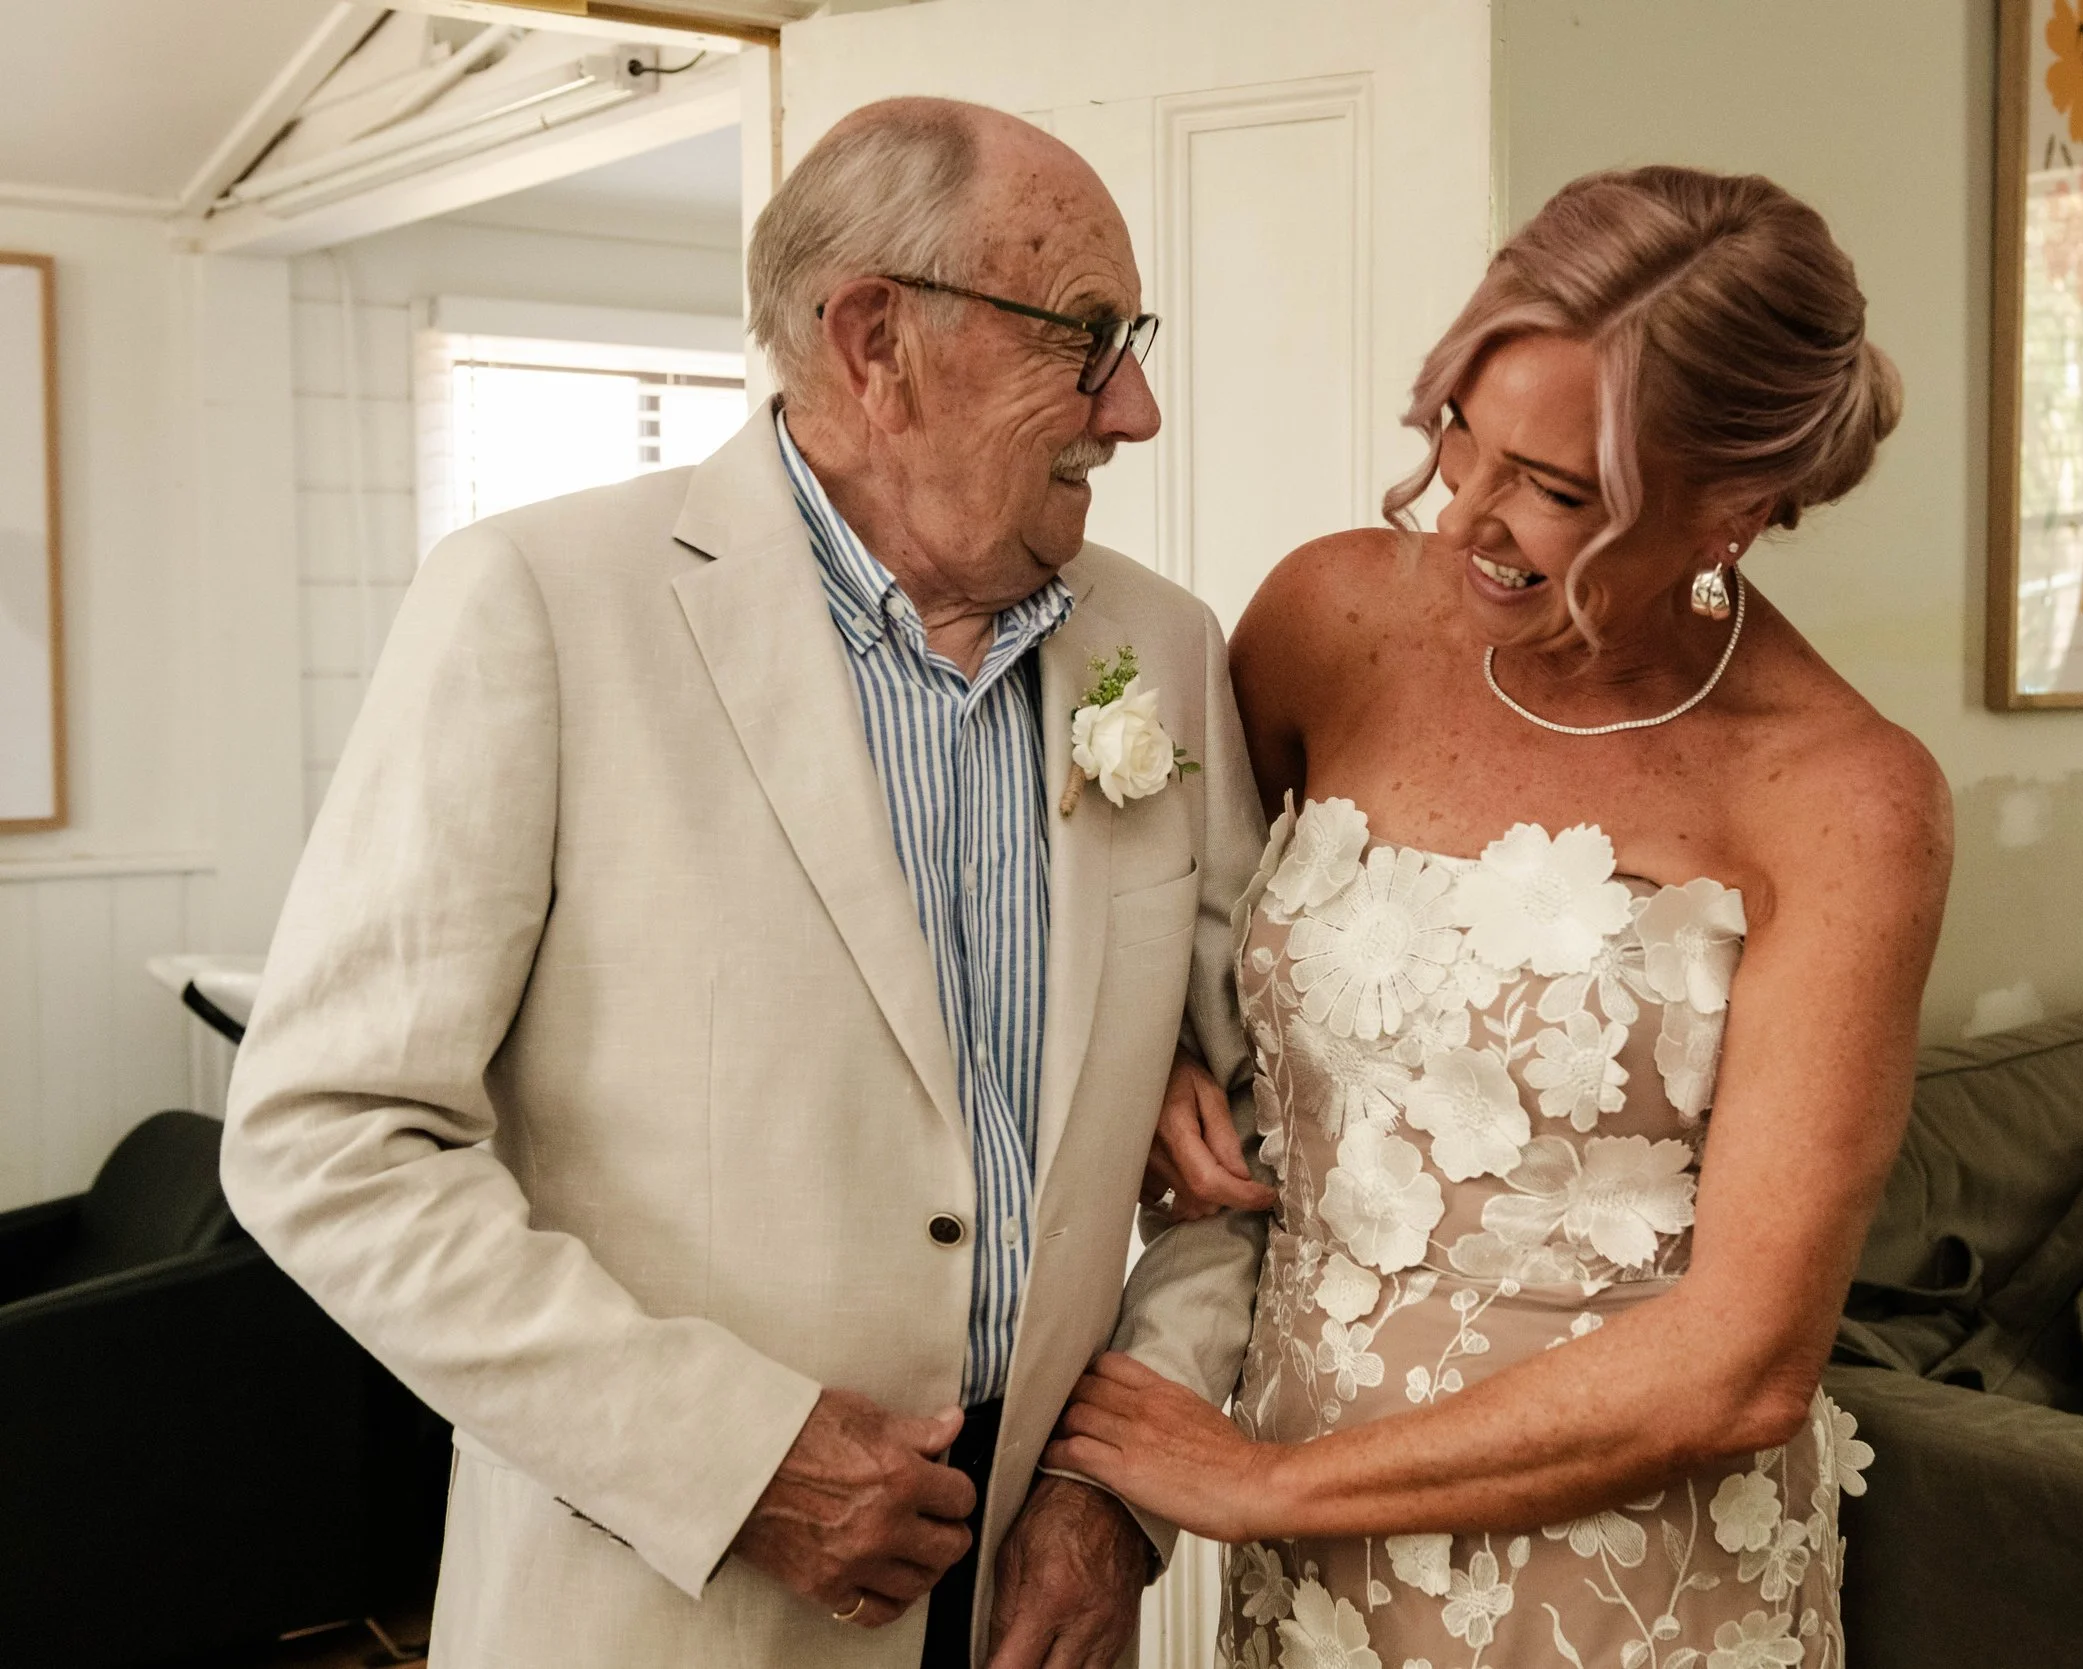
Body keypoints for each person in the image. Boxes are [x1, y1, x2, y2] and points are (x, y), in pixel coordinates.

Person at [219, 98, 1270, 1669]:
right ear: (873, 338)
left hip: (1036, 1616)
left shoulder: (1167, 649)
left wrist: (1111, 1492)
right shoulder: (538, 606)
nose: (1135, 410)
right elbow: (328, 1139)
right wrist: (732, 1455)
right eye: (1088, 335)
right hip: (660, 1603)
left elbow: (1255, 1149)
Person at [1055, 165, 1952, 1669]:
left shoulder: (1848, 801)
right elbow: (1183, 927)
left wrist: (1269, 1487)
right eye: (1459, 435)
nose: (1467, 515)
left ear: (1736, 508)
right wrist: (1163, 1070)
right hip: (1313, 1563)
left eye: (1558, 490)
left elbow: (1744, 1362)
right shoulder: (1331, 622)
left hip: (1625, 1581)